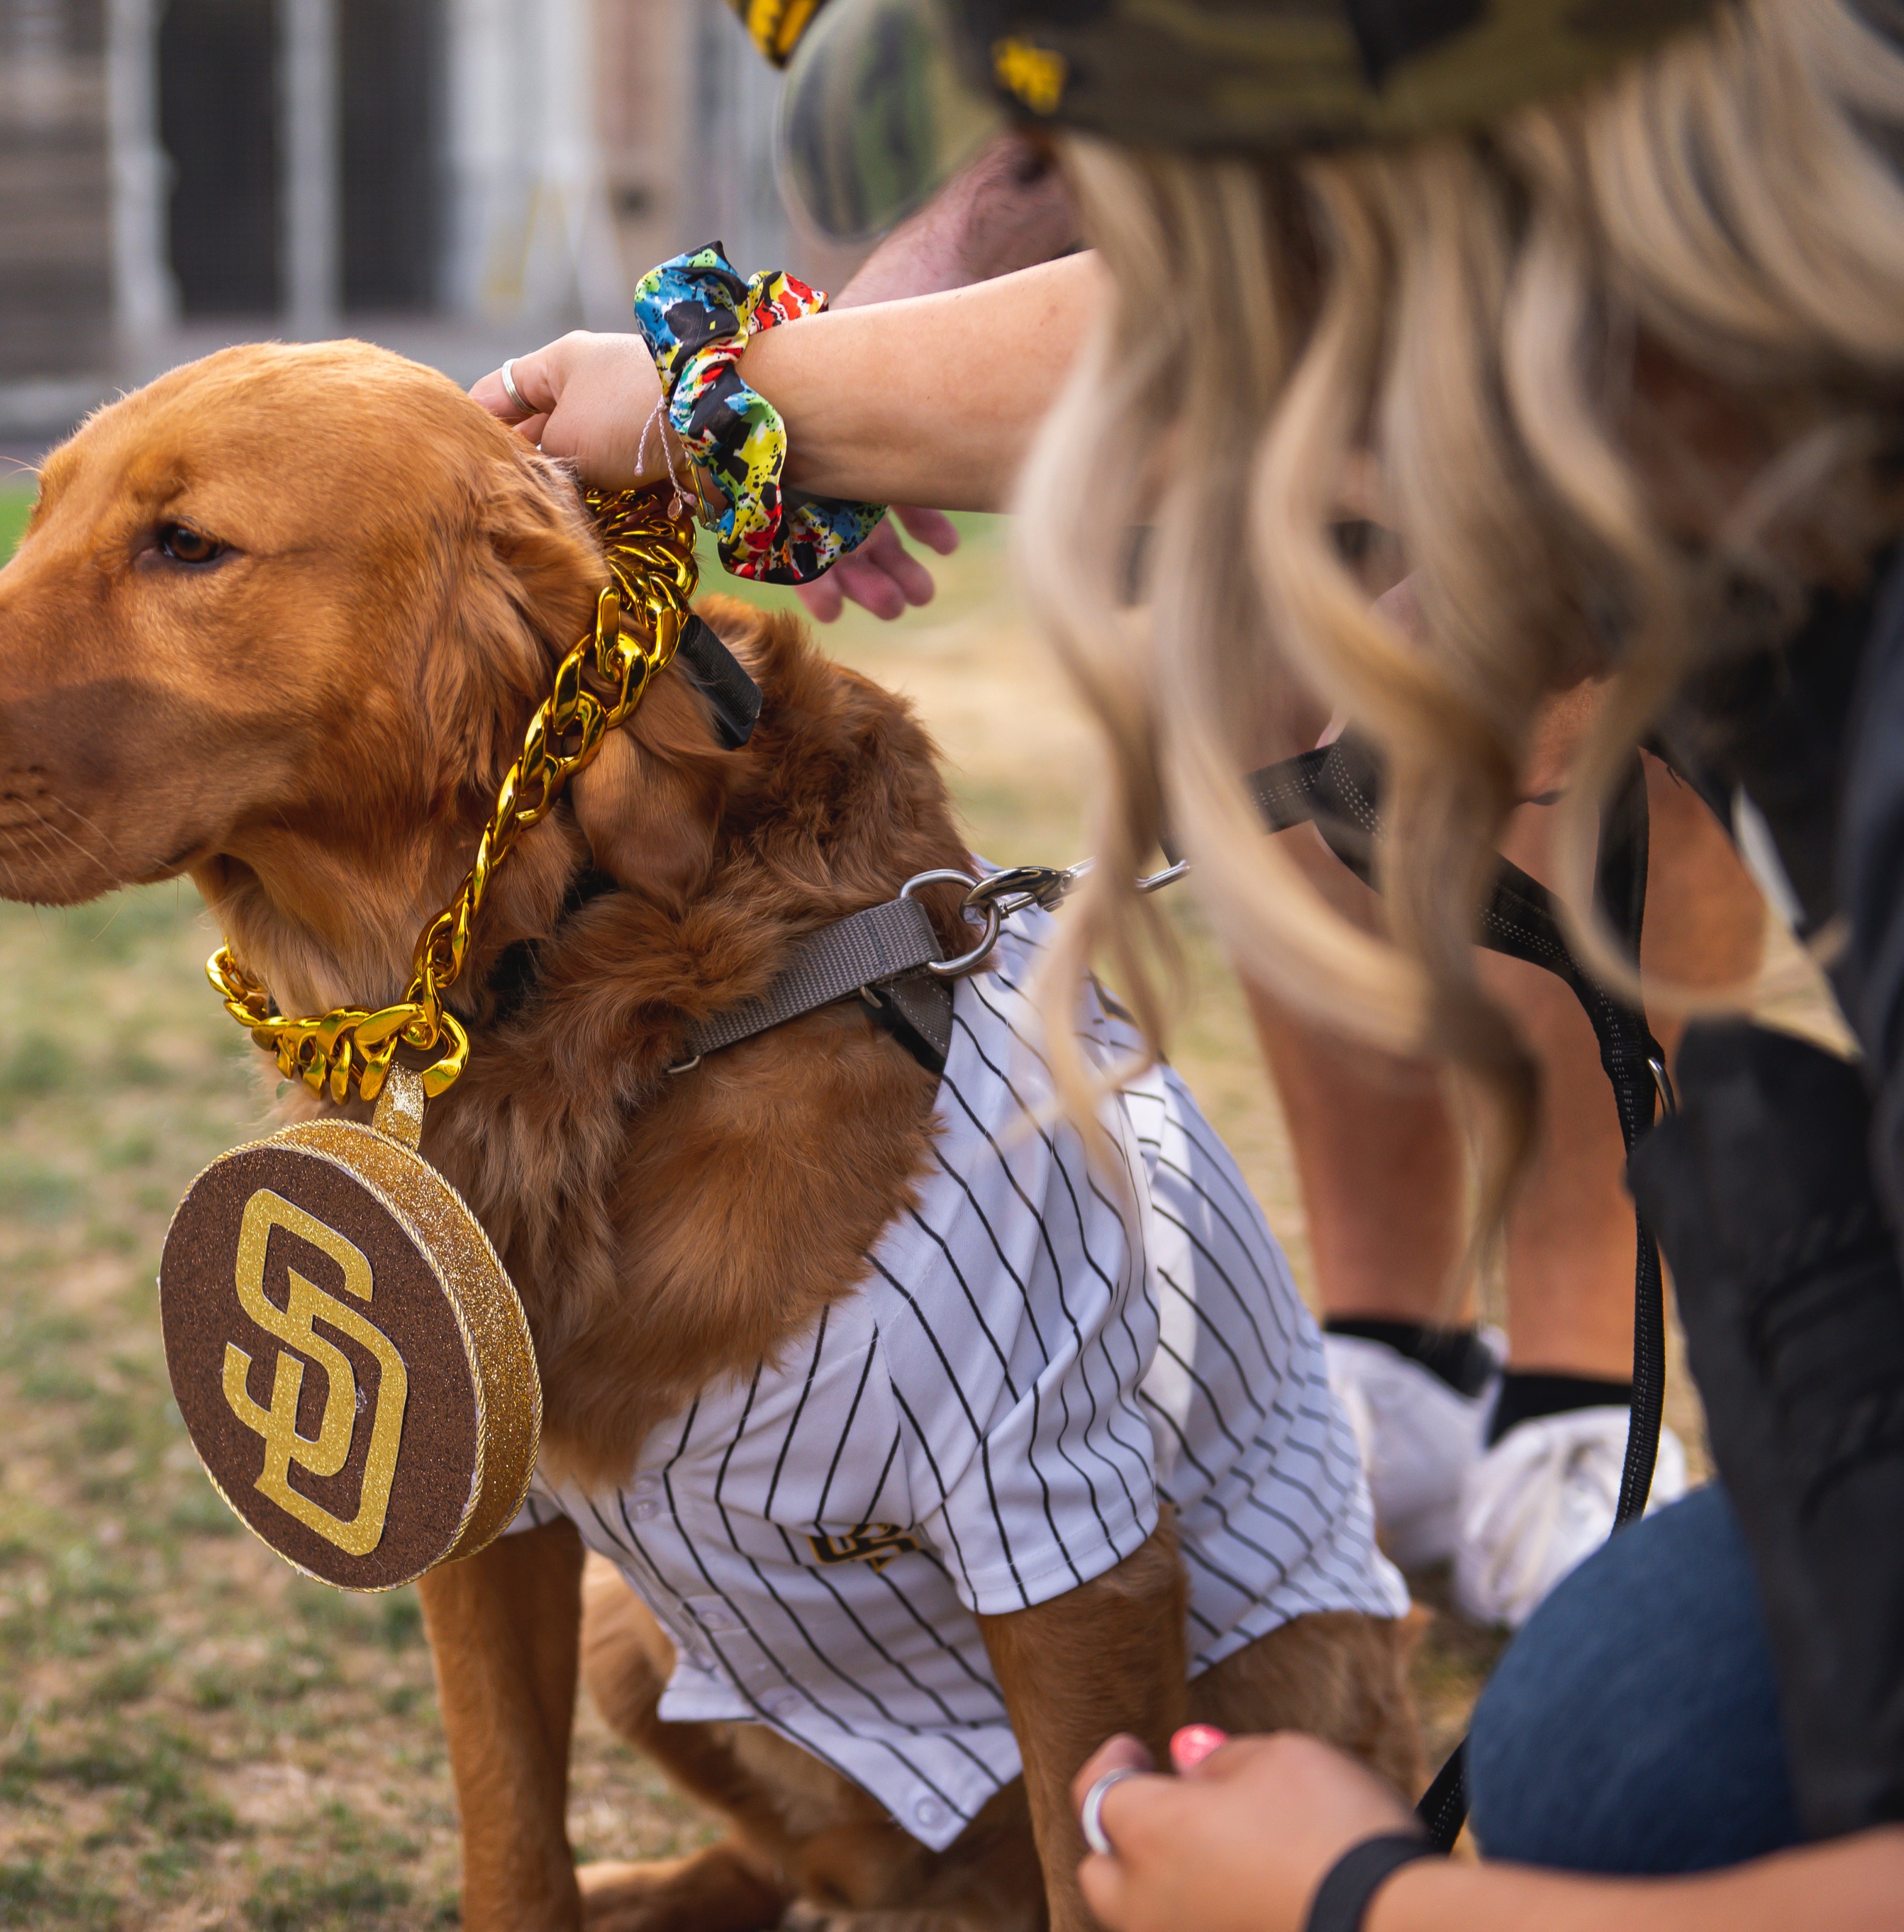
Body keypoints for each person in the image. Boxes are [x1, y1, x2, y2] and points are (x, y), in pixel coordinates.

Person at [477, 0, 1904, 1921]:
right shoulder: (1760, 340)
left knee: (1624, 1779)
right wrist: (708, 395)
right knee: (1613, 1730)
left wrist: (1373, 1904)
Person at [742, 112, 1774, 1631]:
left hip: (1582, 193)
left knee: (1573, 655)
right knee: (1232, 581)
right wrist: (918, 286)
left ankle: (1577, 1386)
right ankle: (1389, 1348)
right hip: (1220, 181)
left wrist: (744, 393)